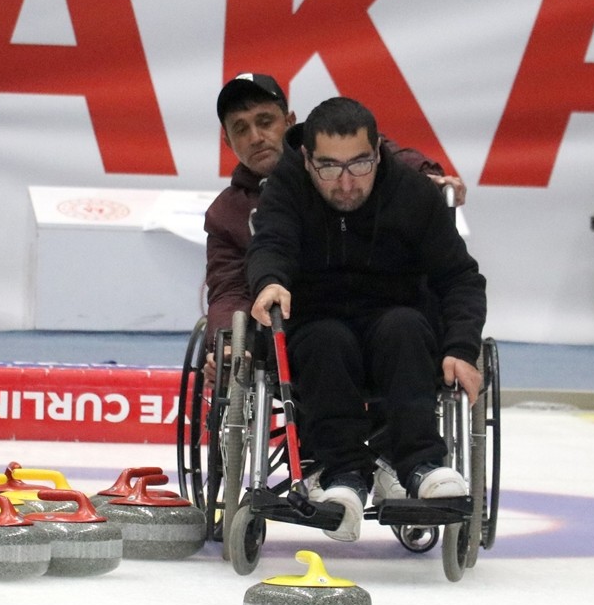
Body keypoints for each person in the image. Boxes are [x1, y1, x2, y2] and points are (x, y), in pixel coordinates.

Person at [245, 96, 487, 542]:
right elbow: (271, 243)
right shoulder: (287, 185)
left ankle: (419, 463)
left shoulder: (413, 194)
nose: (346, 183)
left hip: (393, 318)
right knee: (326, 340)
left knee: (407, 327)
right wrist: (270, 282)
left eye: (359, 165)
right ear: (307, 158)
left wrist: (461, 349)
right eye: (329, 168)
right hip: (317, 321)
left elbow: (460, 278)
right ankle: (342, 474)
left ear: (378, 151)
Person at [204, 73, 465, 371]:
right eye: (241, 129)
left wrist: (424, 172)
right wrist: (227, 345)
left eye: (265, 122)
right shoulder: (226, 213)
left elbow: (371, 151)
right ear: (227, 140)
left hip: (382, 317)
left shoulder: (335, 172)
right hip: (300, 335)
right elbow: (229, 289)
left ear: (289, 122)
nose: (255, 137)